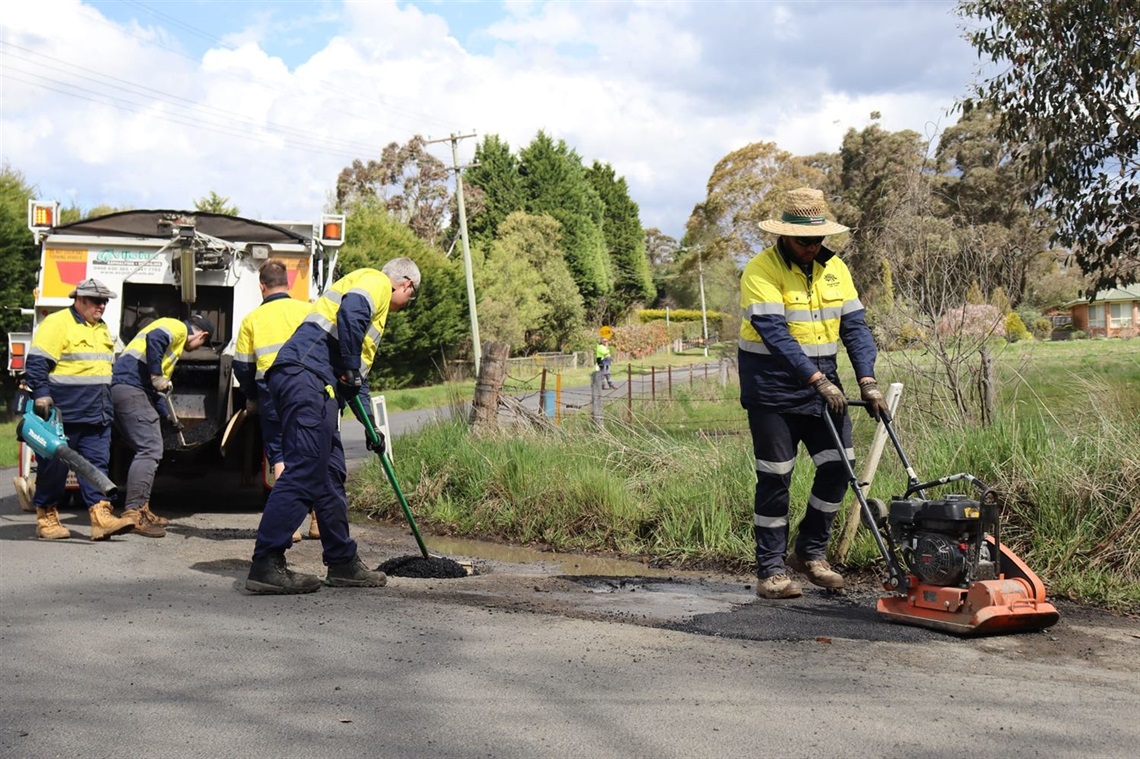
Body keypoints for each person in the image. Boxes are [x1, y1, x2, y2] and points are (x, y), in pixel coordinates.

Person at [739, 187, 889, 599]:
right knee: (776, 477)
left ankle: (809, 553)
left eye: (818, 239)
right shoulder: (760, 270)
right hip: (772, 391)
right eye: (804, 240)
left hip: (824, 391)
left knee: (839, 467)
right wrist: (816, 379)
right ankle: (770, 570)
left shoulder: (836, 269)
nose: (812, 247)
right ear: (785, 235)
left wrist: (867, 382)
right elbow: (774, 333)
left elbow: (856, 328)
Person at [245, 258, 420, 594]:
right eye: (410, 298)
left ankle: (342, 562)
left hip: (315, 384)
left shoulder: (375, 319)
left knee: (330, 472)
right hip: (305, 375)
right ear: (406, 284)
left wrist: (372, 429)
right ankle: (266, 562)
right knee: (307, 467)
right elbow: (351, 311)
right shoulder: (375, 282)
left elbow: (359, 381)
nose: (405, 305)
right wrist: (351, 369)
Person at [24, 278, 135, 541]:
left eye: (105, 302)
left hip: (97, 414)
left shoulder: (102, 329)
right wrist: (41, 395)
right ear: (79, 299)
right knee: (54, 468)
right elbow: (37, 363)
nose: (102, 306)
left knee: (96, 465)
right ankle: (47, 517)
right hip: (63, 415)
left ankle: (101, 517)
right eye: (97, 301)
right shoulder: (57, 323)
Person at [233, 259, 315, 543]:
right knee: (313, 452)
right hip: (308, 389)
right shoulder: (308, 310)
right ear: (288, 283)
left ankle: (289, 525)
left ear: (262, 286)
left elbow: (242, 365)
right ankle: (319, 522)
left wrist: (251, 397)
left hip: (270, 392)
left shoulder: (252, 319)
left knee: (279, 456)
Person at [111, 313, 214, 538]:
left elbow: (156, 389)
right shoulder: (176, 327)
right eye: (203, 343)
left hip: (129, 388)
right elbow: (155, 340)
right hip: (131, 388)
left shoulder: (172, 345)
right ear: (202, 334)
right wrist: (157, 375)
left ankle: (142, 509)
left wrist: (168, 416)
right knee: (149, 448)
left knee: (147, 448)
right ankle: (134, 514)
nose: (197, 348)